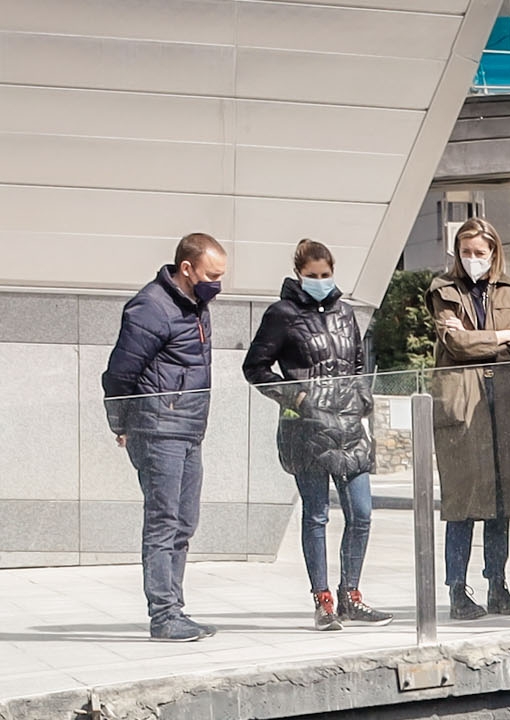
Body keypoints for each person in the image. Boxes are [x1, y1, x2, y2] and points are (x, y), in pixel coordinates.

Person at [242, 238, 380, 630]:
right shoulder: (282, 314)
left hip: (349, 425)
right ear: (299, 274)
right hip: (306, 428)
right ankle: (323, 601)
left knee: (362, 514)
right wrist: (295, 395)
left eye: (326, 274)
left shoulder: (345, 312)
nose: (320, 281)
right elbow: (255, 367)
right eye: (312, 275)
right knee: (316, 515)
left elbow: (356, 361)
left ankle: (351, 594)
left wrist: (362, 395)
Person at [100, 230, 225, 642]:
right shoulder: (150, 307)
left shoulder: (195, 305)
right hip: (158, 429)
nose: (216, 284)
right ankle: (163, 614)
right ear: (186, 268)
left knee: (184, 522)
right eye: (210, 275)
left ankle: (176, 609)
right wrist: (122, 422)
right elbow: (120, 372)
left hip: (189, 429)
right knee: (163, 521)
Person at [428, 219, 510, 617]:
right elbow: (455, 344)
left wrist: (492, 340)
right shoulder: (443, 290)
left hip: (505, 400)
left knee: (502, 500)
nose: (472, 259)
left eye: (480, 252)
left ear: (494, 252)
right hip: (463, 402)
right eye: (466, 252)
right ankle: (457, 590)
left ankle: (498, 585)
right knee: (462, 502)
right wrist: (502, 337)